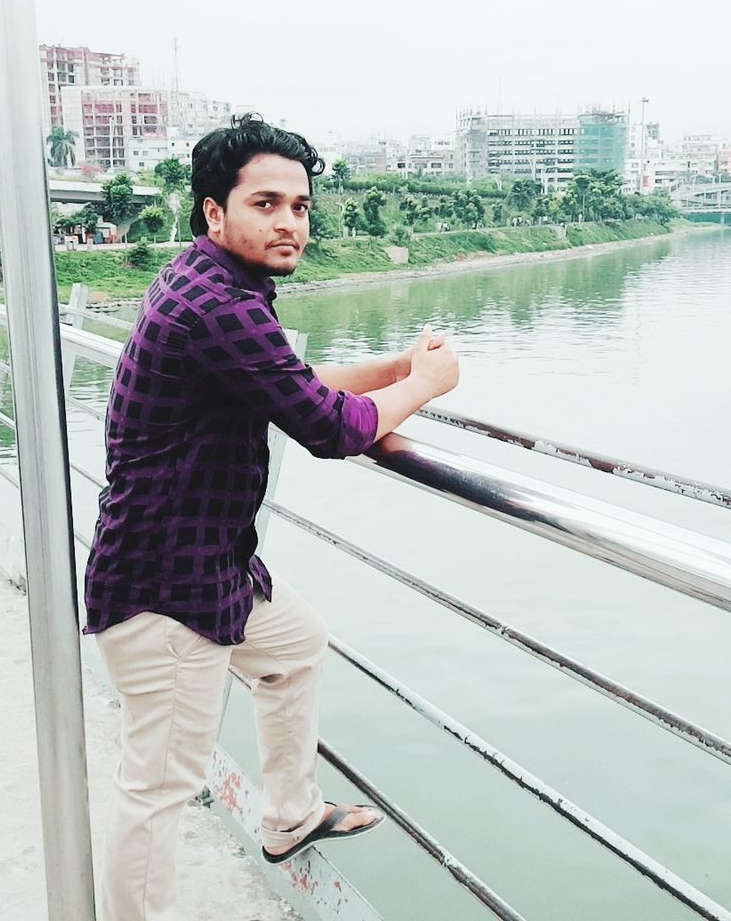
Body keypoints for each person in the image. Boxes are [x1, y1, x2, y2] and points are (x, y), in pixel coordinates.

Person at [84, 113, 459, 920]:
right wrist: (429, 384)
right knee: (158, 787)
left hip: (211, 566)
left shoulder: (212, 286)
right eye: (267, 203)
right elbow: (330, 428)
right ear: (215, 212)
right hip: (166, 589)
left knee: (295, 645)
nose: (290, 220)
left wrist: (395, 367)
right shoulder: (217, 303)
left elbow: (291, 382)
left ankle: (288, 815)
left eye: (300, 205)